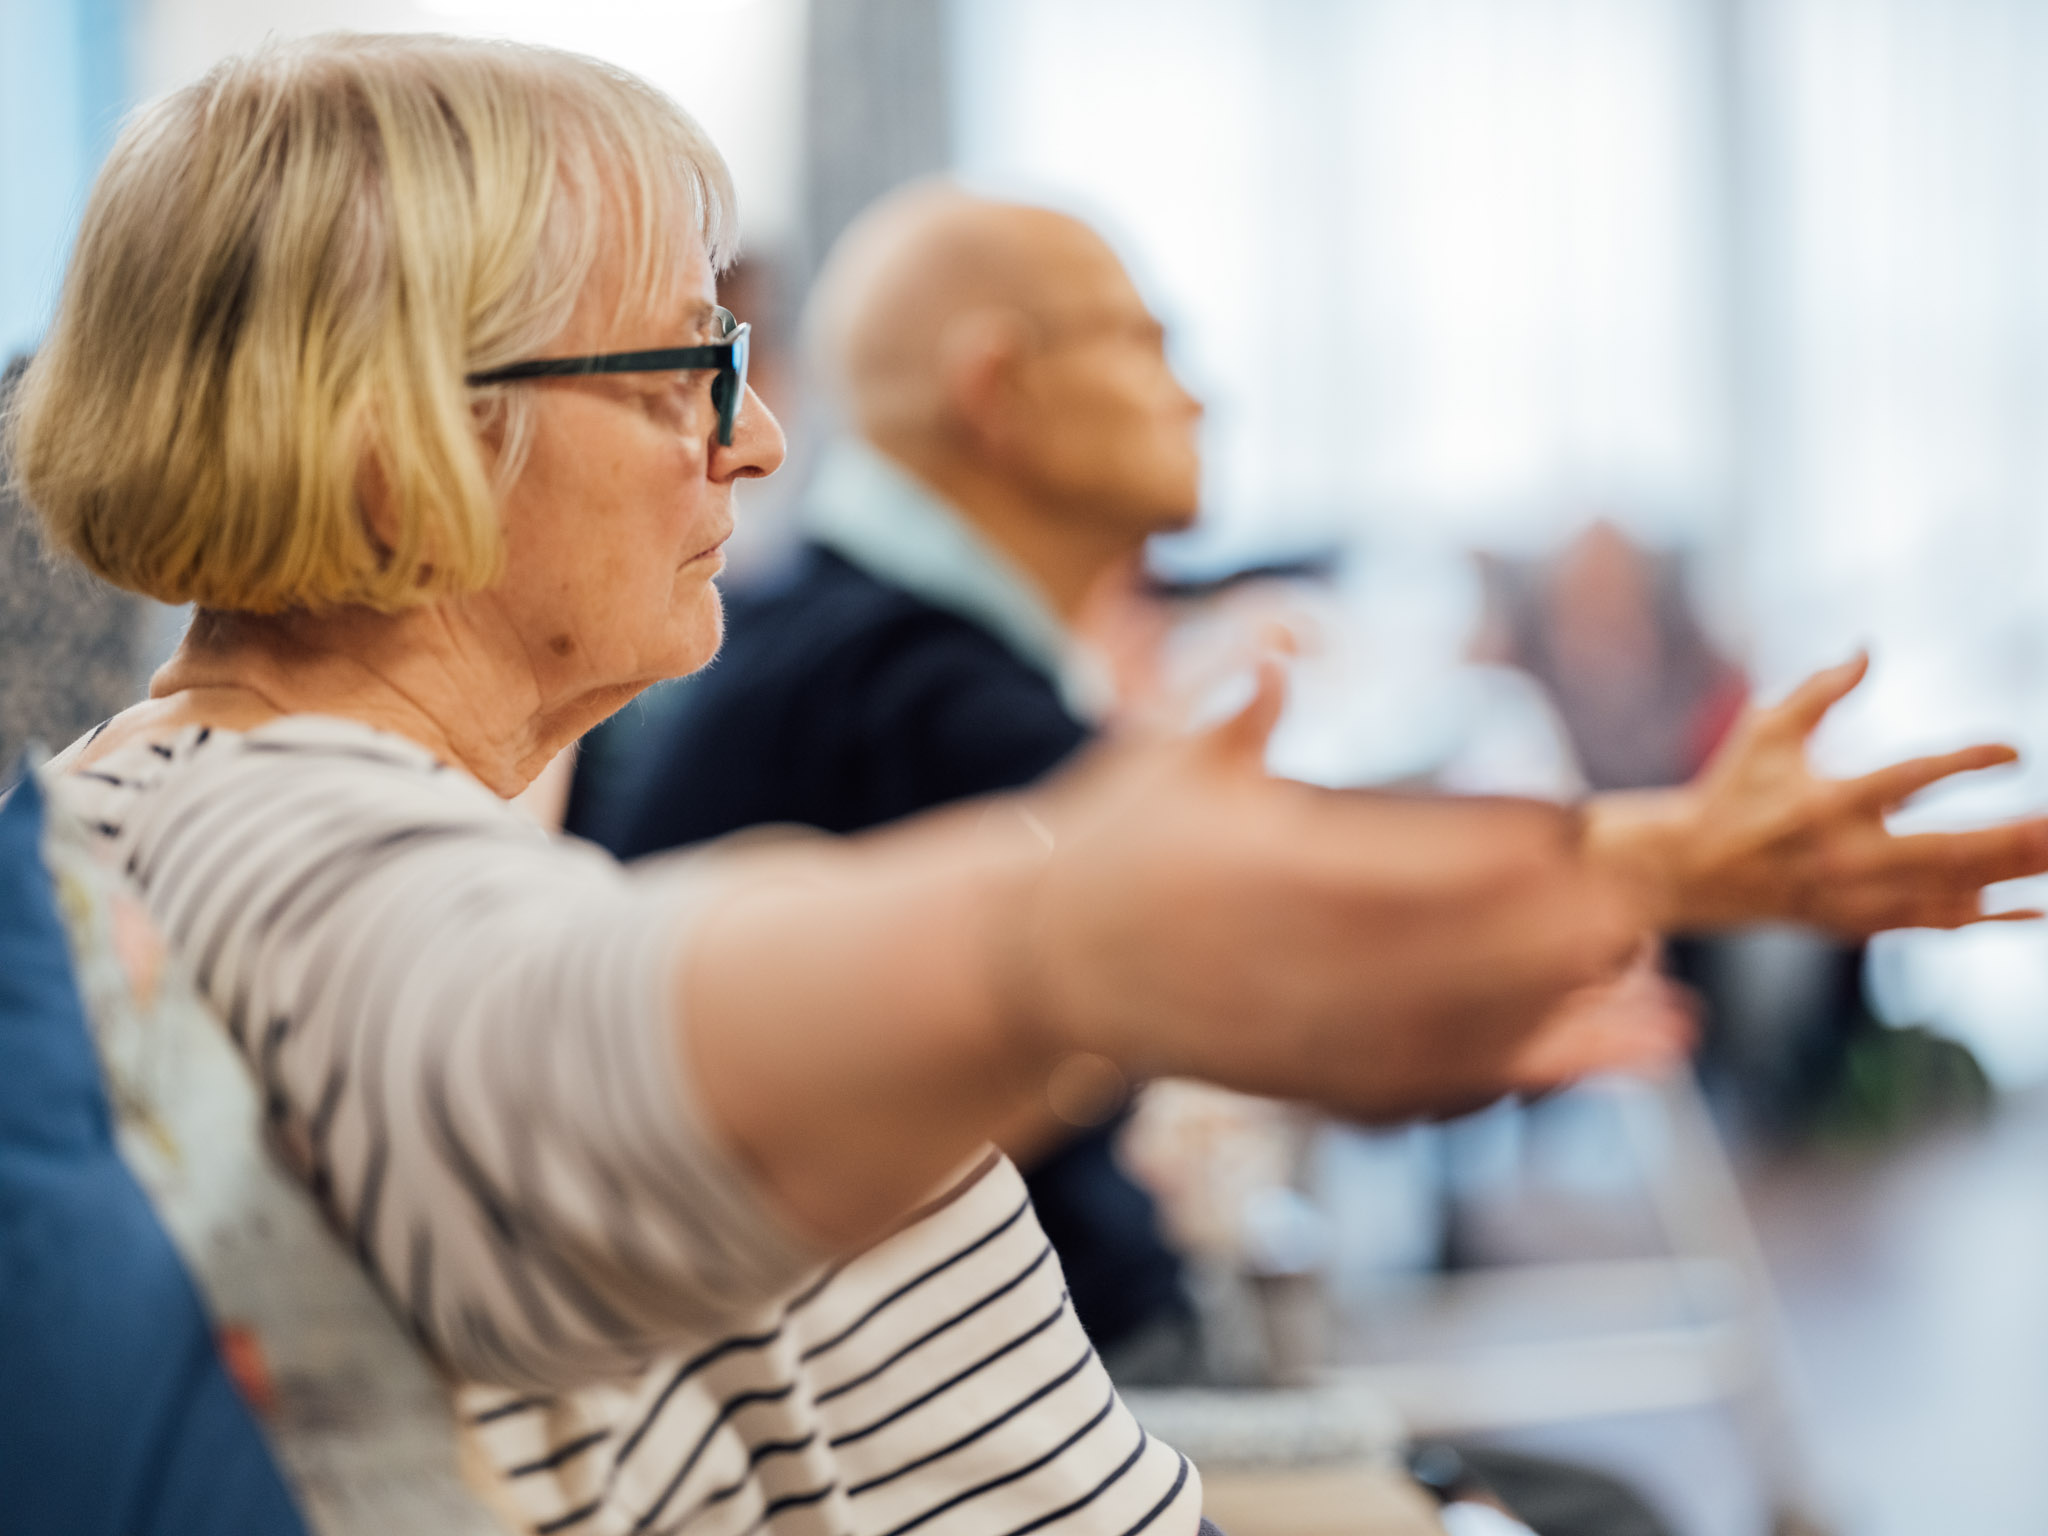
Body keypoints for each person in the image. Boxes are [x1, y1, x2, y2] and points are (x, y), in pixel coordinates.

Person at [8, 34, 1715, 1536]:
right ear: (404, 449)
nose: (752, 443)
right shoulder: (277, 839)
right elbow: (546, 1047)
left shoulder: (193, 808)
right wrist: (1049, 945)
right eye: (691, 371)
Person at [587, 183, 2048, 1363]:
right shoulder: (908, 691)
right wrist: (1664, 860)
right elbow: (1237, 916)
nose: (1199, 394)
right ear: (998, 390)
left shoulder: (854, 651)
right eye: (1148, 343)